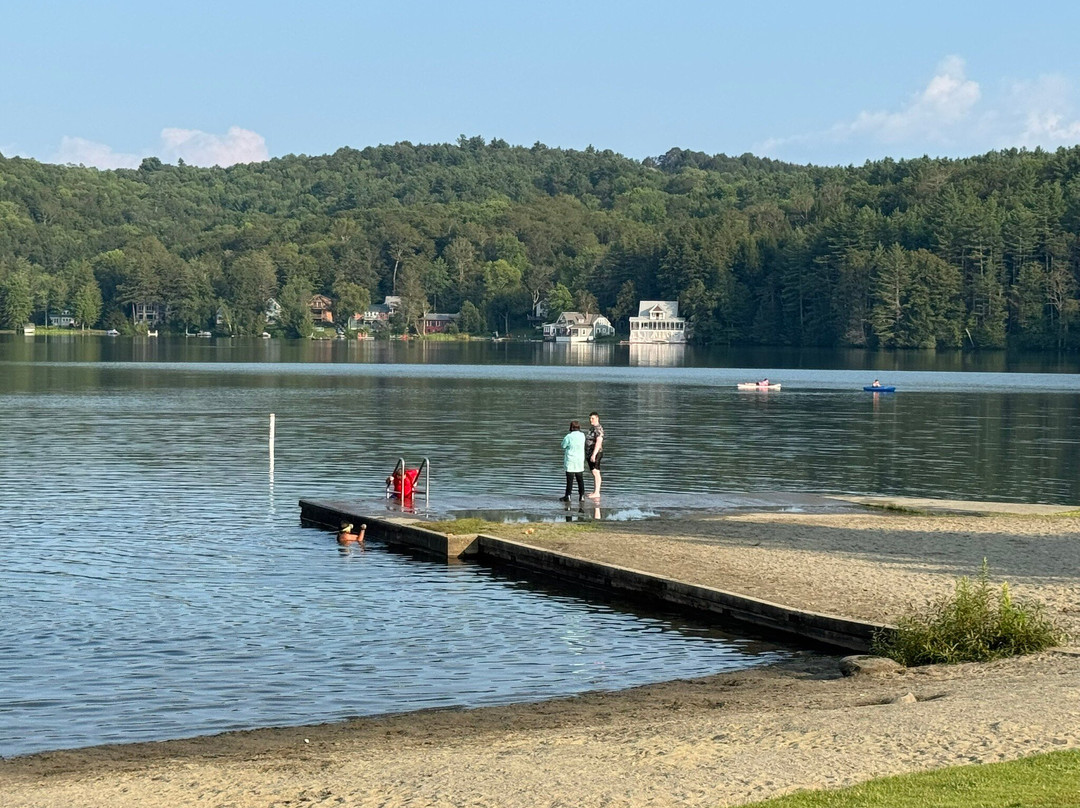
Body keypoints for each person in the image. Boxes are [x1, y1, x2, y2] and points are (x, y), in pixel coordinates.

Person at [561, 420, 586, 502]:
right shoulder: (582, 435)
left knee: (569, 480)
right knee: (580, 479)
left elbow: (563, 446)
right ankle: (582, 496)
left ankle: (568, 496)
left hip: (570, 460)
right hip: (579, 460)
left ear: (571, 427)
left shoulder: (568, 436)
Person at [585, 411, 604, 499]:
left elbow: (599, 442)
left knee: (596, 472)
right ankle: (595, 491)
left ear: (597, 418)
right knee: (594, 472)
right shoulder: (592, 428)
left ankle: (597, 492)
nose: (590, 420)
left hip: (595, 453)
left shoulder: (598, 429)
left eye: (592, 418)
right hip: (590, 453)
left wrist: (594, 454)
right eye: (590, 418)